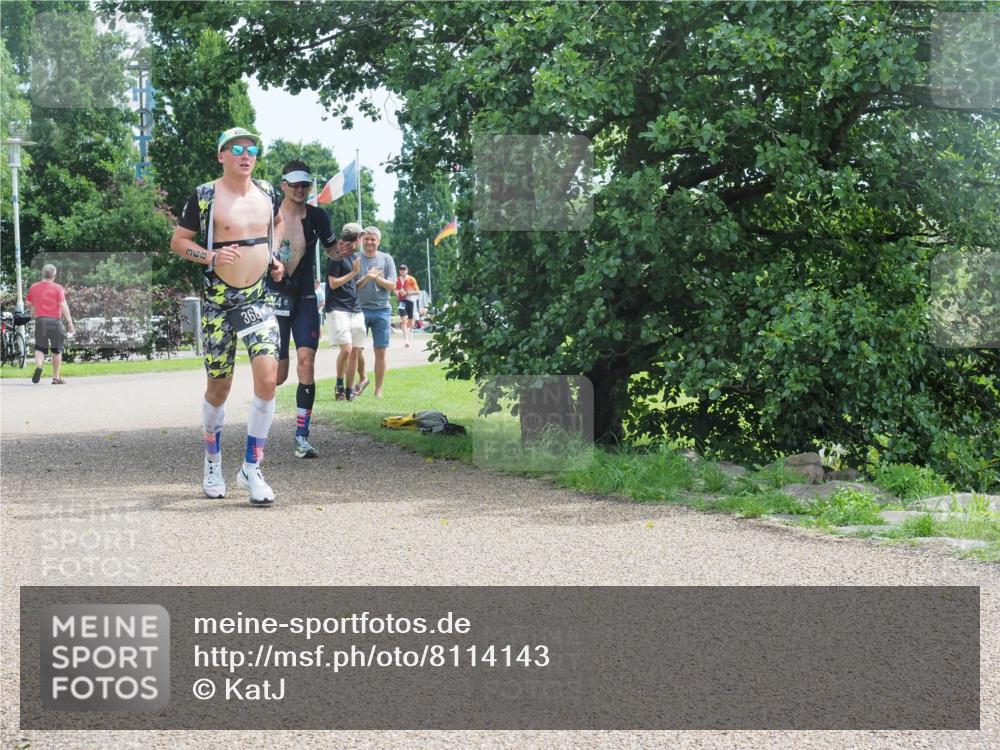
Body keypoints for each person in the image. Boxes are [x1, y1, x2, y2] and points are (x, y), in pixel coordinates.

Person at [170, 127, 285, 506]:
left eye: (252, 148)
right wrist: (213, 257)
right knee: (219, 387)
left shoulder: (269, 192)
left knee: (268, 380)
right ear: (222, 155)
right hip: (219, 302)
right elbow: (179, 242)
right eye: (237, 148)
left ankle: (252, 466)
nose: (245, 154)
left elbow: (278, 225)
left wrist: (273, 256)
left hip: (257, 300)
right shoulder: (205, 196)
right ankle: (213, 461)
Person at [269, 160, 338, 459]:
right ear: (283, 185)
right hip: (276, 297)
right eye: (294, 184)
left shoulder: (318, 216)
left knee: (307, 363)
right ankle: (260, 423)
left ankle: (302, 437)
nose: (300, 189)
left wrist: (346, 250)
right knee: (279, 375)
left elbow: (332, 250)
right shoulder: (269, 214)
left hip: (307, 297)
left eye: (305, 185)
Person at [324, 222, 366, 401]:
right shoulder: (337, 255)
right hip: (338, 308)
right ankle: (339, 384)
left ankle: (349, 390)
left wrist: (366, 277)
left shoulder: (354, 256)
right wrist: (353, 272)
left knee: (355, 350)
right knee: (347, 350)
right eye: (361, 237)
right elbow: (333, 283)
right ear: (357, 238)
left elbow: (352, 285)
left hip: (355, 309)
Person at [355, 226, 397, 397]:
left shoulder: (386, 259)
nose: (369, 242)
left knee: (380, 351)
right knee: (356, 349)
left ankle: (378, 390)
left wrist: (377, 278)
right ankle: (363, 377)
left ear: (378, 242)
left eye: (373, 239)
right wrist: (367, 277)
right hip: (359, 309)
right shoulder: (356, 258)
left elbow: (393, 285)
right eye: (366, 239)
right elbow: (354, 286)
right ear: (361, 241)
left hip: (382, 311)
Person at [26, 264, 75, 385]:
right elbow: (63, 305)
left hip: (40, 321)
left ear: (43, 274)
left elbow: (28, 303)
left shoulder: (34, 287)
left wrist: (35, 306)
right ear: (54, 275)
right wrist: (69, 321)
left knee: (39, 347)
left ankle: (39, 366)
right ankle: (55, 377)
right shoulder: (58, 288)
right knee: (56, 350)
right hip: (55, 321)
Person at [397, 264, 420, 348]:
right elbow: (394, 290)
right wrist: (398, 292)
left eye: (404, 269)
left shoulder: (411, 279)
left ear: (407, 270)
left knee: (410, 320)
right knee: (403, 319)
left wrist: (407, 293)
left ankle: (411, 331)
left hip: (410, 300)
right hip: (401, 301)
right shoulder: (397, 280)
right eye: (400, 269)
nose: (402, 270)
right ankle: (406, 340)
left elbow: (418, 291)